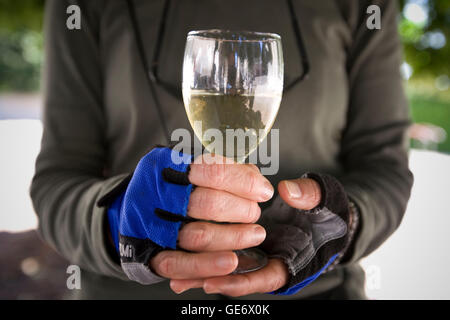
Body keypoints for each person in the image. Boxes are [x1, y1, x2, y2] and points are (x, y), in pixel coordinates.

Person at [31, 0, 413, 299]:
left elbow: (385, 168)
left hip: (317, 294)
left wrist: (344, 222)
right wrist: (112, 219)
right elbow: (56, 183)